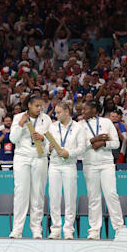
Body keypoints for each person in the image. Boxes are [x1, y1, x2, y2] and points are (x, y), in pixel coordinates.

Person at [9, 95, 52, 239]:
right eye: (37, 106)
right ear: (29, 105)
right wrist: (20, 125)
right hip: (22, 157)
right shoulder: (18, 117)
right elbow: (13, 139)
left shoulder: (46, 119)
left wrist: (43, 138)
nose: (40, 109)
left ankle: (36, 229)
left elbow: (51, 140)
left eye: (41, 106)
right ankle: (17, 229)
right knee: (21, 193)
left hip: (39, 157)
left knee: (38, 194)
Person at [81, 100, 125, 239]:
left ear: (94, 110)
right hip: (89, 164)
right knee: (93, 197)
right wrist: (93, 141)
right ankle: (94, 230)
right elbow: (79, 146)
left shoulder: (106, 123)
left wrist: (102, 143)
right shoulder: (80, 125)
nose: (82, 112)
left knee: (111, 194)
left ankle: (119, 228)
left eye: (85, 109)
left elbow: (116, 143)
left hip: (106, 163)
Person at [47, 101, 84, 240]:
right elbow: (45, 147)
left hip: (69, 165)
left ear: (67, 112)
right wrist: (49, 149)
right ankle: (55, 229)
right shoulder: (52, 126)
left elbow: (81, 148)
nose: (56, 115)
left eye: (58, 112)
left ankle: (68, 229)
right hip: (55, 165)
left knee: (70, 198)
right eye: (55, 112)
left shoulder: (78, 127)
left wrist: (69, 153)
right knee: (54, 198)